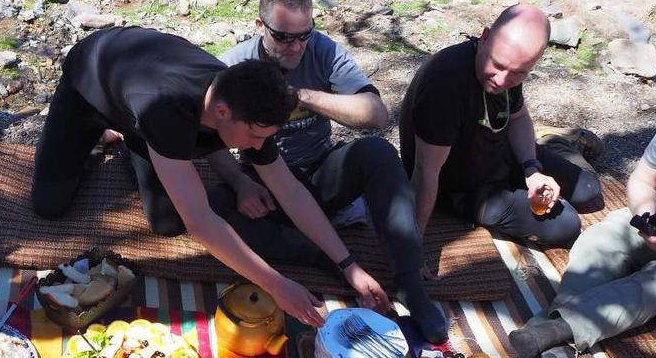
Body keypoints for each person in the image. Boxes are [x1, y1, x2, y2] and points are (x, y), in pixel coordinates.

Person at [31, 26, 390, 327]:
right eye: (255, 137)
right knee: (49, 205)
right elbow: (202, 222)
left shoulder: (245, 104)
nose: (258, 146)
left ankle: (134, 140)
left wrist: (349, 266)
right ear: (221, 111)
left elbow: (289, 190)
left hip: (143, 104)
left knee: (167, 223)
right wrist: (277, 285)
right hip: (89, 86)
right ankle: (98, 142)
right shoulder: (167, 109)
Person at [212, 0, 447, 343]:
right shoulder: (233, 65)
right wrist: (239, 183)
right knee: (213, 211)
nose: (296, 47)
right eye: (284, 37)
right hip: (262, 179)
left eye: (304, 35)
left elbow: (376, 115)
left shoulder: (322, 51)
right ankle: (328, 258)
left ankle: (410, 280)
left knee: (379, 153)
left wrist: (303, 96)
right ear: (259, 27)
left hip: (319, 170)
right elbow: (208, 138)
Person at [399, 4, 603, 249]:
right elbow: (424, 173)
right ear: (484, 38)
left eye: (518, 73)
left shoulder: (510, 64)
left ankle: (553, 141)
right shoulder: (445, 83)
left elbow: (517, 117)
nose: (502, 80)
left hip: (499, 152)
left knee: (588, 189)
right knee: (567, 225)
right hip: (464, 187)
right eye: (498, 66)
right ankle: (551, 144)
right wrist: (411, 250)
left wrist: (532, 170)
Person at [509, 107, 656, 358]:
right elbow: (643, 179)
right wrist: (647, 215)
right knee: (598, 242)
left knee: (654, 284)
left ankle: (555, 329)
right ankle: (563, 346)